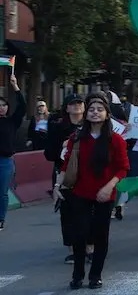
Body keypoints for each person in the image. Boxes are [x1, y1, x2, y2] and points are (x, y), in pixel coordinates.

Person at [54, 94, 129, 289]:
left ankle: (95, 275)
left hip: (105, 194)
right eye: (92, 110)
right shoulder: (76, 138)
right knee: (80, 235)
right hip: (80, 193)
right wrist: (57, 186)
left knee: (100, 236)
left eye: (100, 110)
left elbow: (123, 168)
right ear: (86, 114)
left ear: (106, 115)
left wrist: (109, 186)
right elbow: (66, 165)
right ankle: (78, 274)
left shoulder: (116, 140)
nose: (95, 113)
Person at [44, 93, 85, 261]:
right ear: (66, 108)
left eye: (79, 103)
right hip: (64, 175)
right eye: (72, 103)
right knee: (68, 213)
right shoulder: (57, 128)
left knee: (89, 211)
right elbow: (49, 154)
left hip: (88, 174)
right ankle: (72, 250)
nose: (76, 106)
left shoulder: (93, 126)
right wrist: (62, 146)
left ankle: (89, 246)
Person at [0, 75, 26, 231]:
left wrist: (15, 86)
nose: (2, 107)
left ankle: (1, 219)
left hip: (5, 162)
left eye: (4, 105)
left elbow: (22, 106)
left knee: (2, 192)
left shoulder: (12, 121)